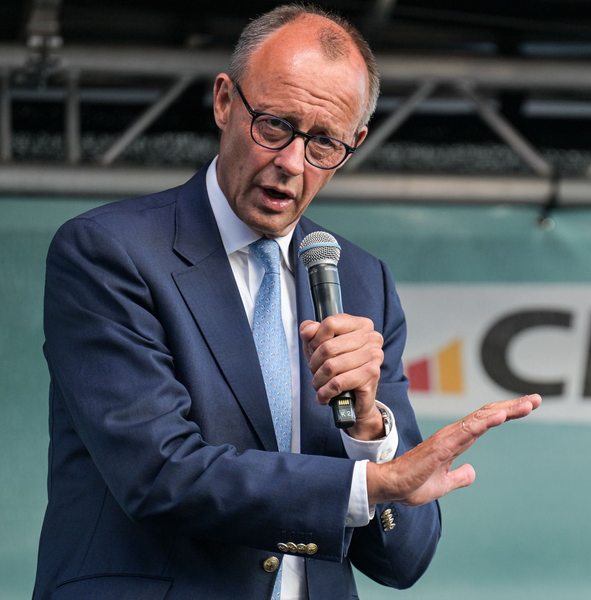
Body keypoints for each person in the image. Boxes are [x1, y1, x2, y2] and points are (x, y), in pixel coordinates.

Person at [33, 4, 541, 599]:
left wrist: (368, 431)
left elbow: (403, 560)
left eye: (324, 142)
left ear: (354, 143)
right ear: (225, 101)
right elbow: (158, 475)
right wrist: (369, 483)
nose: (292, 163)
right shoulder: (109, 251)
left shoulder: (363, 281)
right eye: (275, 125)